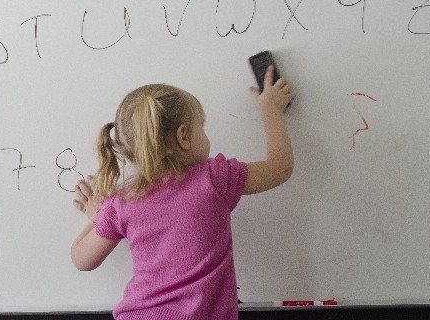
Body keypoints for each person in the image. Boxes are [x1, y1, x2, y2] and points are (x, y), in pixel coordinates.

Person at [71, 65, 294, 320]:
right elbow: (280, 168)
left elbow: (81, 260)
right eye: (202, 127)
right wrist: (271, 110)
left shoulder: (120, 203)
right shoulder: (215, 179)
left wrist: (97, 216)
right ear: (184, 137)